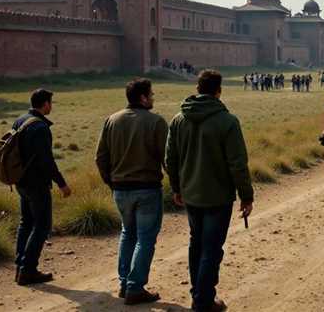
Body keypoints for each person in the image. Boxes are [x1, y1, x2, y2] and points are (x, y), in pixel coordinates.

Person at [165, 70, 254, 312]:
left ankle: (199, 293)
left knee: (197, 244)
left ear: (197, 88)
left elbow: (170, 158)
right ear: (219, 91)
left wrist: (176, 187)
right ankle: (203, 301)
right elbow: (238, 164)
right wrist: (246, 196)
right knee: (211, 249)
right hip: (218, 196)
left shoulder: (178, 119)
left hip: (191, 194)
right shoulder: (227, 121)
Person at [96, 79, 168, 305]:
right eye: (151, 95)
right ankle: (135, 287)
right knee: (145, 239)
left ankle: (124, 283)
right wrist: (177, 186)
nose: (153, 98)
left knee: (128, 234)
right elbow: (168, 159)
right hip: (147, 188)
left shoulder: (112, 120)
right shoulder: (156, 122)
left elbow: (100, 158)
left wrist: (111, 182)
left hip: (120, 189)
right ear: (143, 98)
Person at [14, 89, 72, 286]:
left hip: (20, 182)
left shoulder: (21, 120)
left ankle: (20, 267)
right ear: (45, 104)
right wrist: (62, 183)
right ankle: (28, 270)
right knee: (42, 226)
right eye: (50, 103)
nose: (51, 106)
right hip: (37, 184)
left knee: (26, 224)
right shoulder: (39, 127)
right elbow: (46, 161)